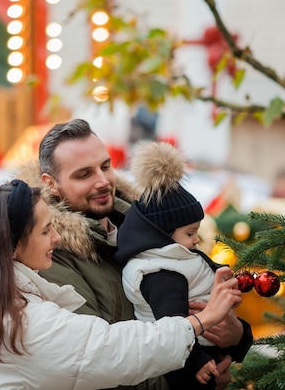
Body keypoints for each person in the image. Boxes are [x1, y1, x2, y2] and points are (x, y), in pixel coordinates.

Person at [0, 179, 242, 389]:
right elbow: (107, 349)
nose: (57, 238)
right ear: (14, 244)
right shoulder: (16, 319)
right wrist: (202, 320)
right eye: (46, 230)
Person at [29, 118, 253, 390]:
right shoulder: (50, 255)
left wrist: (237, 335)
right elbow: (93, 363)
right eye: (84, 174)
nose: (102, 181)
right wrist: (190, 383)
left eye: (105, 166)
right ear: (51, 183)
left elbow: (196, 288)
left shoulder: (151, 223)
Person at [115, 142, 252, 390]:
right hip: (183, 364)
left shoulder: (173, 258)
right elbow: (172, 326)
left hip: (204, 346)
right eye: (190, 233)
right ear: (163, 235)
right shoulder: (163, 273)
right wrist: (195, 361)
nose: (196, 240)